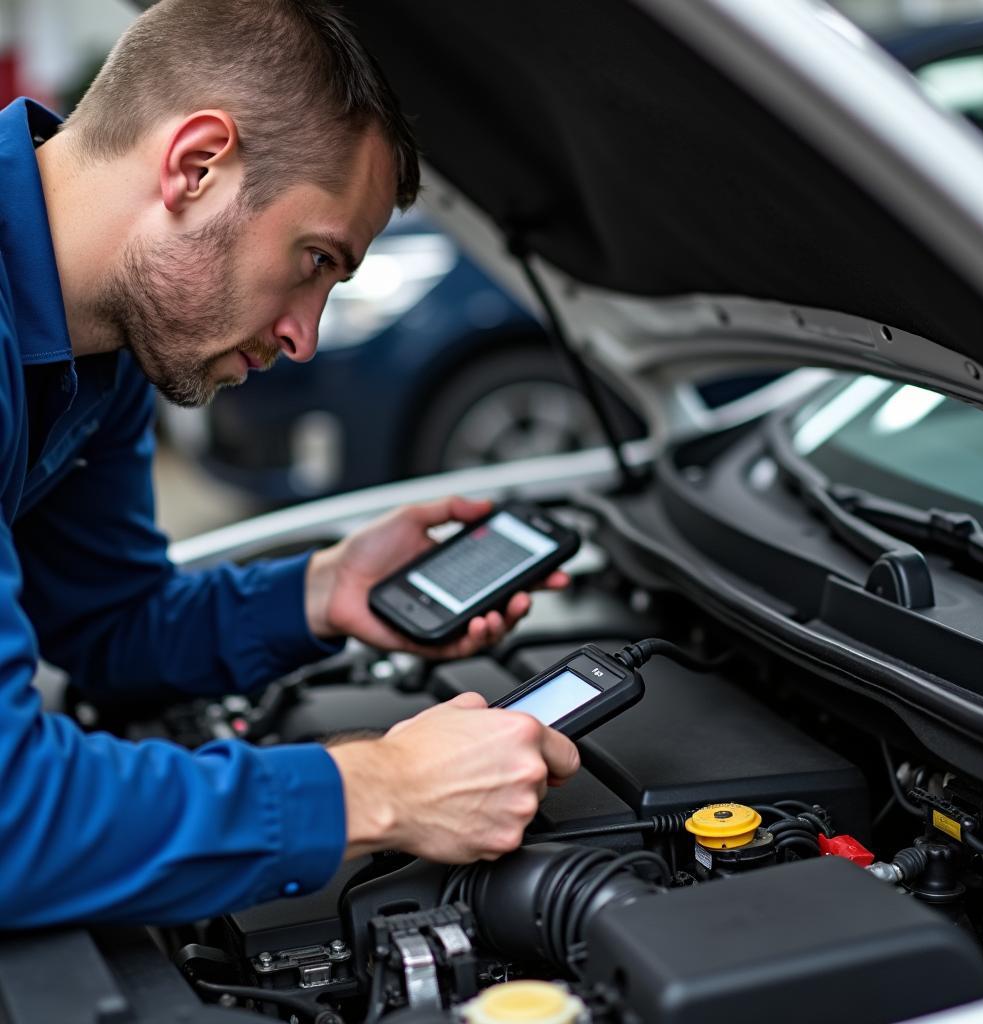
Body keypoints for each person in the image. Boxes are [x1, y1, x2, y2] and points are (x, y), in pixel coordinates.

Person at [0, 0, 580, 927]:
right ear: (198, 165)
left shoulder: (97, 348)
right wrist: (377, 789)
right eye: (313, 259)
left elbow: (108, 628)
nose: (304, 339)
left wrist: (323, 590)